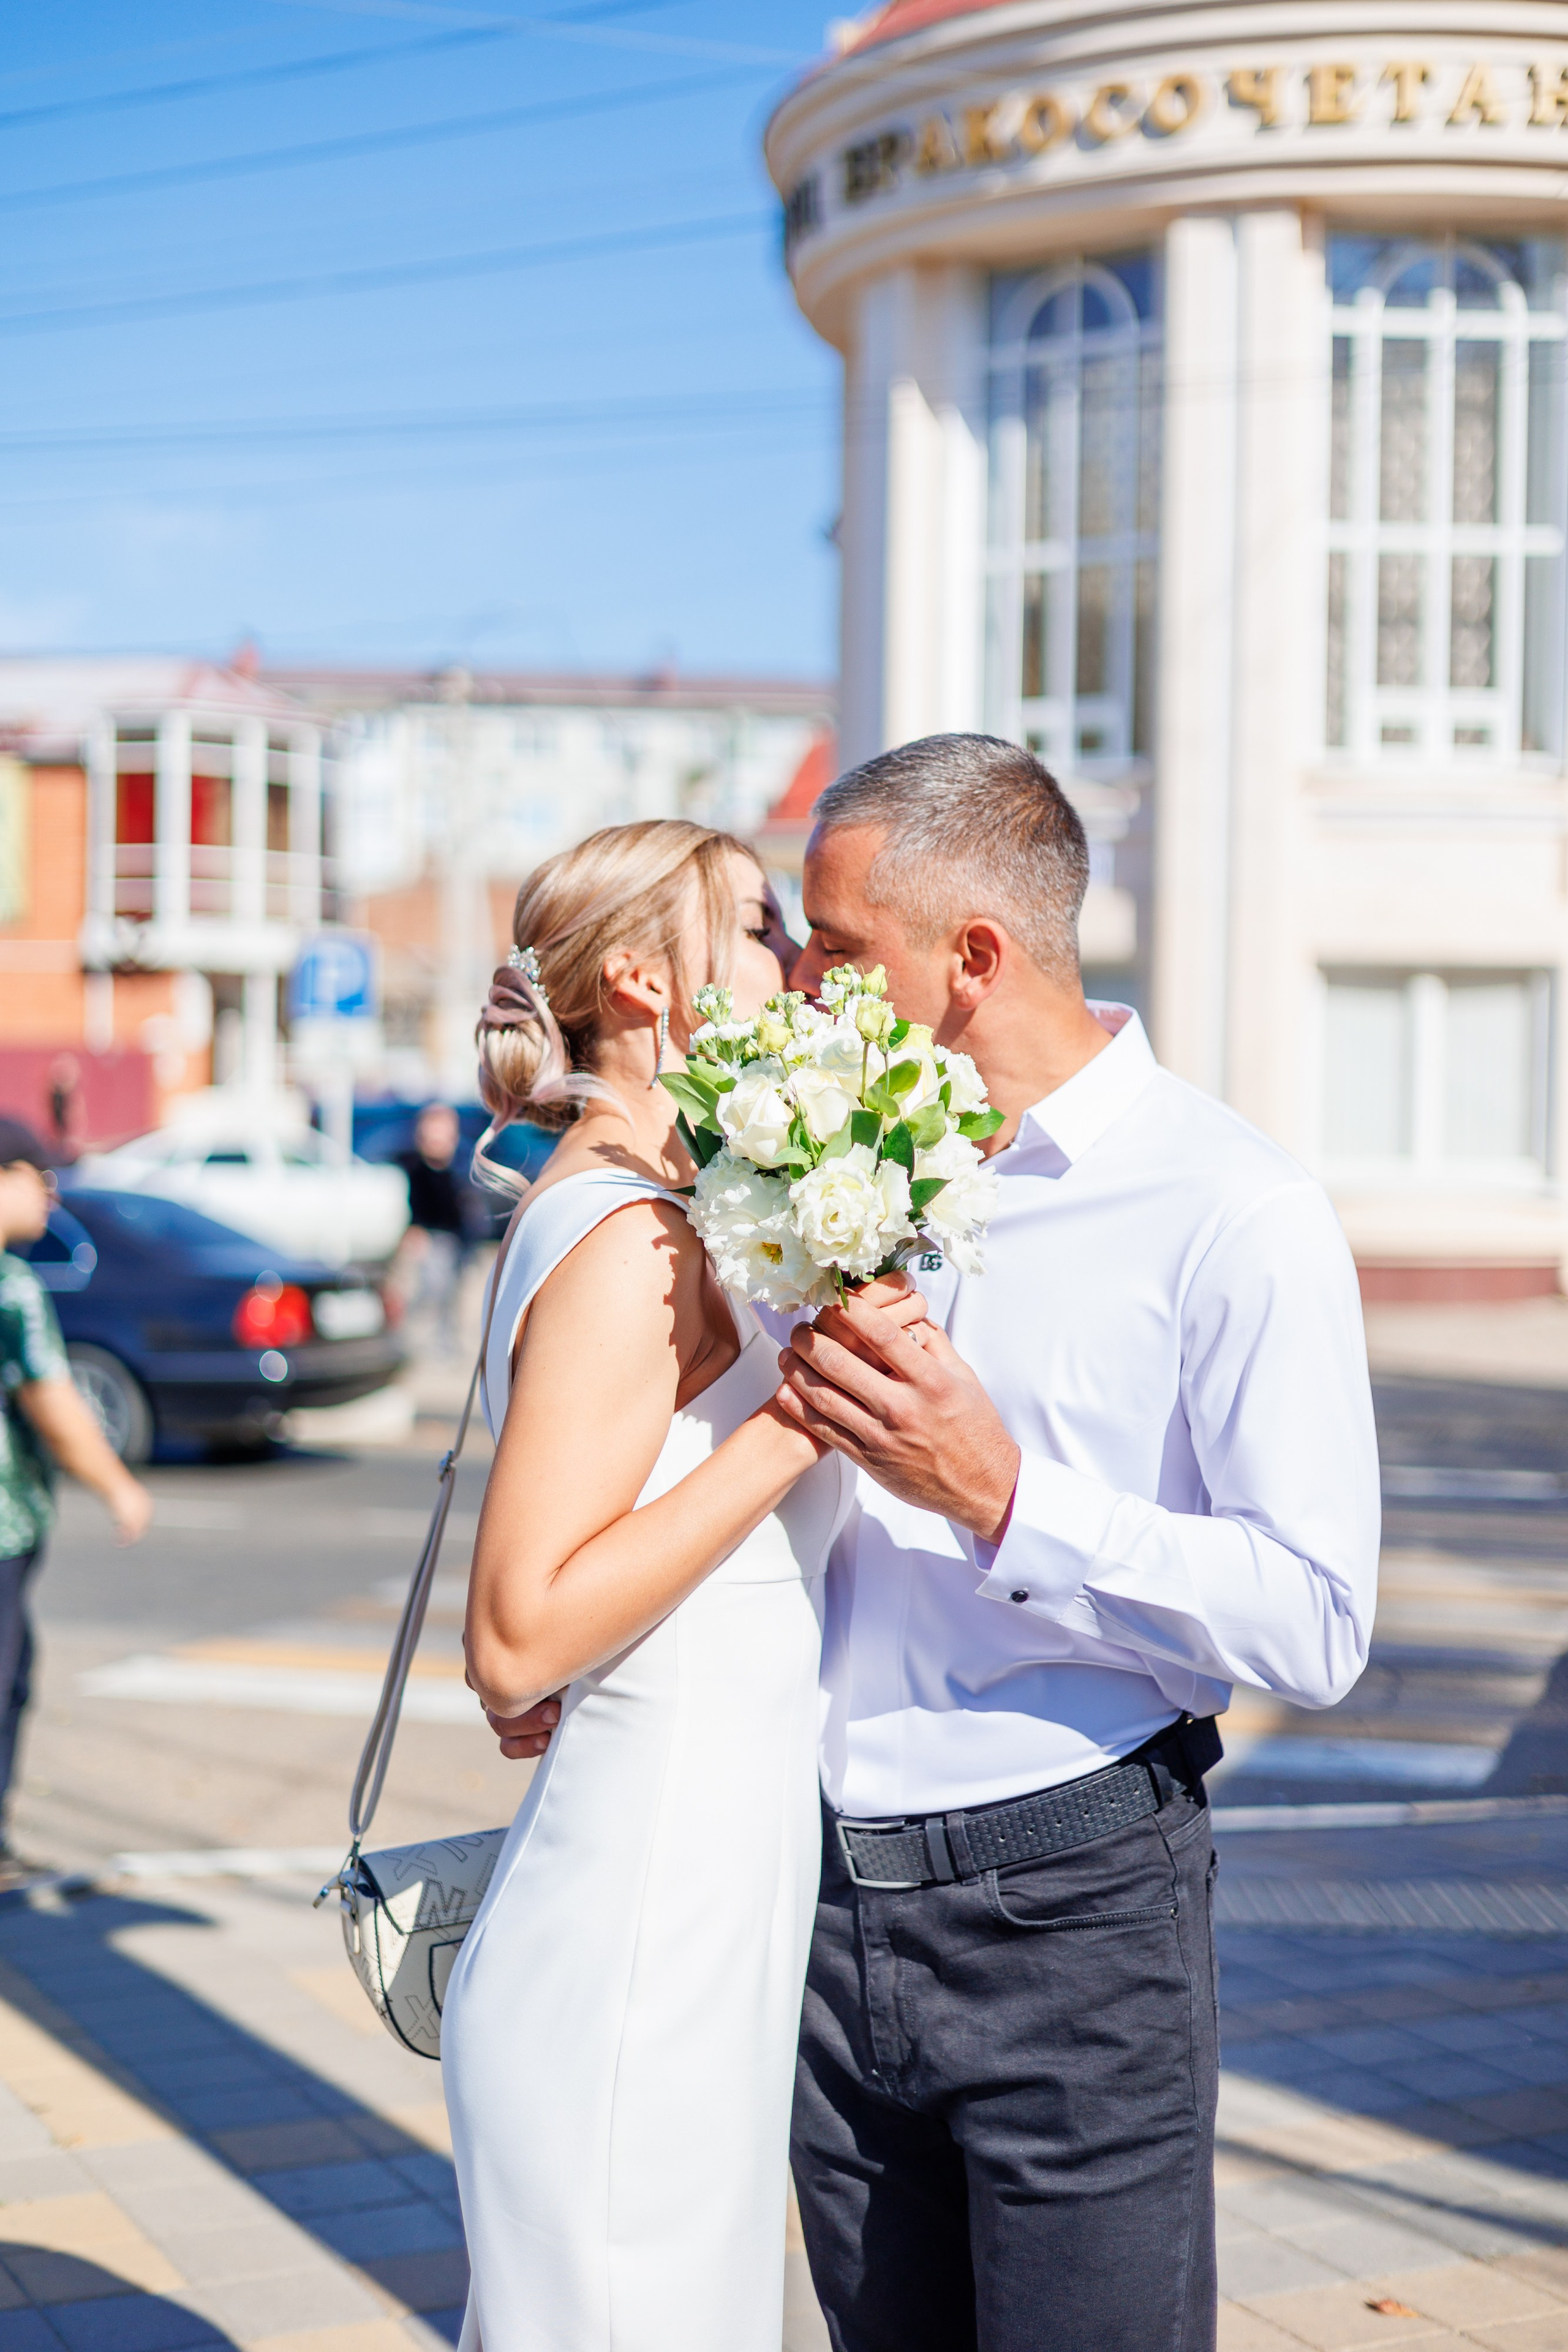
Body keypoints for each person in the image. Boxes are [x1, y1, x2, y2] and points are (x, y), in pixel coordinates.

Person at [492, 736, 1381, 2352]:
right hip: (813, 1920)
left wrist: (1009, 1498)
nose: (802, 992)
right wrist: (594, 1645)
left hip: (1076, 1922)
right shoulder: (813, 1155)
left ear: (969, 960)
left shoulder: (1233, 1211)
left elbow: (1319, 1621)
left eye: (836, 953)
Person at [439, 818, 921, 2352]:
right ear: (647, 978)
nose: (791, 960)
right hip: (637, 1939)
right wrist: (793, 1423)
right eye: (761, 923)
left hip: (698, 1909)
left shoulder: (666, 1200)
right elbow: (515, 1634)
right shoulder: (626, 1230)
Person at [0, 1118, 152, 1882]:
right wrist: (119, 1488)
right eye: (38, 1173)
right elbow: (53, 1402)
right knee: (5, 1678)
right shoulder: (10, 1288)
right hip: (2, 1527)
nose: (53, 1190)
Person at [394, 1102, 480, 1355]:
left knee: (454, 1294)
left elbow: (470, 1206)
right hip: (431, 1239)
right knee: (430, 1291)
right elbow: (411, 1207)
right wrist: (414, 1232)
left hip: (460, 1240)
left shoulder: (461, 1164)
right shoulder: (414, 1167)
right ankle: (417, 1342)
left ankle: (447, 1342)